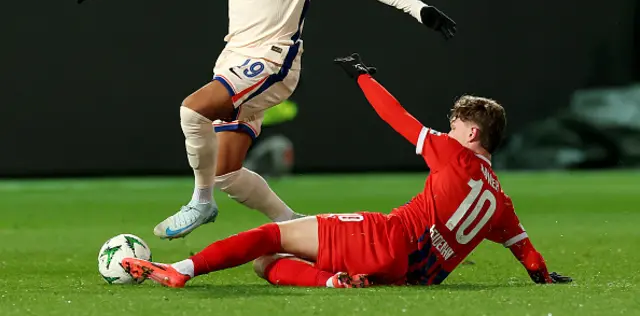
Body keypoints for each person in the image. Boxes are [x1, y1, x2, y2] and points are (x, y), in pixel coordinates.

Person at [75, 0, 457, 240]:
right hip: (232, 60)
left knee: (192, 111)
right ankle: (294, 224)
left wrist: (419, 9)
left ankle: (200, 203)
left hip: (275, 62)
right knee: (225, 172)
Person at [120, 54, 571, 288]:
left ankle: (181, 268)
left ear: (473, 134)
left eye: (454, 124)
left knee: (274, 235)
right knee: (266, 264)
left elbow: (398, 118)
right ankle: (334, 280)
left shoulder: (452, 154)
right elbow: (522, 246)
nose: (446, 129)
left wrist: (363, 77)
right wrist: (542, 274)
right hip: (413, 273)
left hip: (387, 238)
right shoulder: (498, 199)